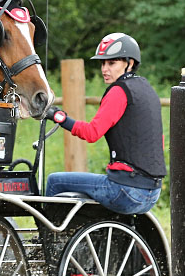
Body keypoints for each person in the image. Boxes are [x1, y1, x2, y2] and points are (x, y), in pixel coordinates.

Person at [44, 33, 166, 214]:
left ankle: (49, 240)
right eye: (103, 63)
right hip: (152, 192)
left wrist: (59, 117)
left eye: (112, 63)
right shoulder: (146, 89)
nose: (104, 69)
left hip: (126, 191)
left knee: (55, 181)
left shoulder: (119, 91)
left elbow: (92, 133)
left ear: (129, 63)